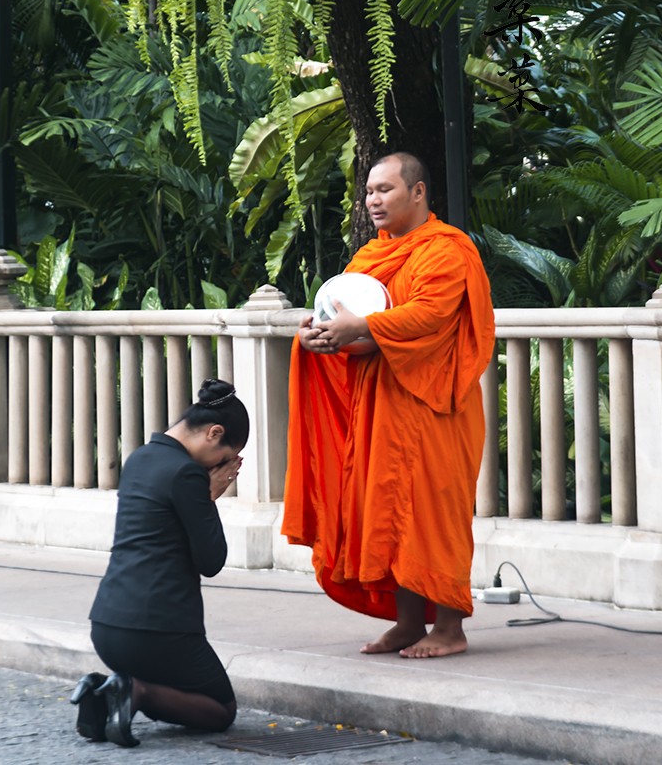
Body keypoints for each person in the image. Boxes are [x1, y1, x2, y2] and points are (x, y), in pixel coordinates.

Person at [282, 151, 495, 659]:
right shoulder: (367, 259)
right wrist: (313, 336)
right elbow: (332, 313)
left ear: (418, 193)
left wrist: (362, 327)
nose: (372, 201)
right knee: (387, 510)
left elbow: (430, 315)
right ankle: (407, 622)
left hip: (436, 403)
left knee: (434, 513)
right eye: (369, 192)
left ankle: (449, 627)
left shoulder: (448, 250)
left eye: (385, 190)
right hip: (381, 402)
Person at [73, 378, 247, 747]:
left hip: (107, 626)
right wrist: (208, 498)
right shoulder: (186, 474)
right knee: (220, 710)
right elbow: (212, 560)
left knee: (176, 685)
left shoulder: (140, 457)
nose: (225, 468)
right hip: (157, 629)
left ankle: (104, 693)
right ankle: (135, 692)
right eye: (227, 457)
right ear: (214, 433)